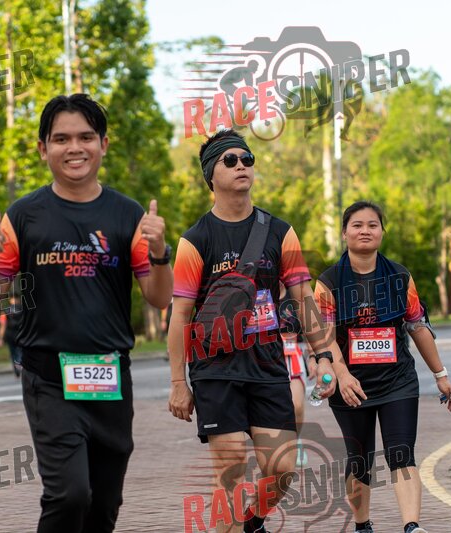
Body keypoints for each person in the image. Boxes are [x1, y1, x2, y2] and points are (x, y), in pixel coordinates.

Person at [0, 94, 173, 533]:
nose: (74, 148)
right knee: (69, 494)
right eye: (61, 139)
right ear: (43, 148)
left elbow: (159, 298)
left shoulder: (128, 215)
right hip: (49, 379)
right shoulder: (22, 216)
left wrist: (159, 252)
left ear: (103, 144)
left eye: (85, 137)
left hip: (110, 377)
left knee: (104, 503)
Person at [167, 129, 344, 533]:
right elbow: (180, 316)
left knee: (282, 468)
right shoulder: (195, 240)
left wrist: (323, 357)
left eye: (247, 159)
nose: (241, 166)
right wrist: (179, 382)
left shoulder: (280, 231)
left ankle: (252, 521)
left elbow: (303, 298)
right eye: (230, 160)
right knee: (230, 470)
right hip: (215, 367)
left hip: (267, 364)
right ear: (211, 175)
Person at [314, 201, 451, 533]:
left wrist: (441, 375)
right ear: (345, 232)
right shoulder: (328, 281)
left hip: (398, 381)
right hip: (351, 384)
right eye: (357, 225)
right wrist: (342, 375)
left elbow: (418, 327)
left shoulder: (399, 276)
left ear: (382, 231)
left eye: (372, 225)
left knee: (401, 453)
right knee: (359, 460)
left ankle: (411, 526)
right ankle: (362, 524)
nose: (365, 231)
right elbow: (324, 336)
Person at [277, 282, 309, 468]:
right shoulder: (259, 292)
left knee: (296, 405)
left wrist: (315, 357)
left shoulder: (293, 293)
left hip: (292, 356)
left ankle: (295, 441)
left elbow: (309, 324)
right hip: (266, 356)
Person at [0, 295, 23, 376]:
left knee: (13, 353)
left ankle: (16, 369)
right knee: (19, 352)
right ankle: (19, 366)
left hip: (10, 335)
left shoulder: (5, 311)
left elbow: (3, 325)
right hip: (20, 334)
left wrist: (0, 338)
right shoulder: (23, 309)